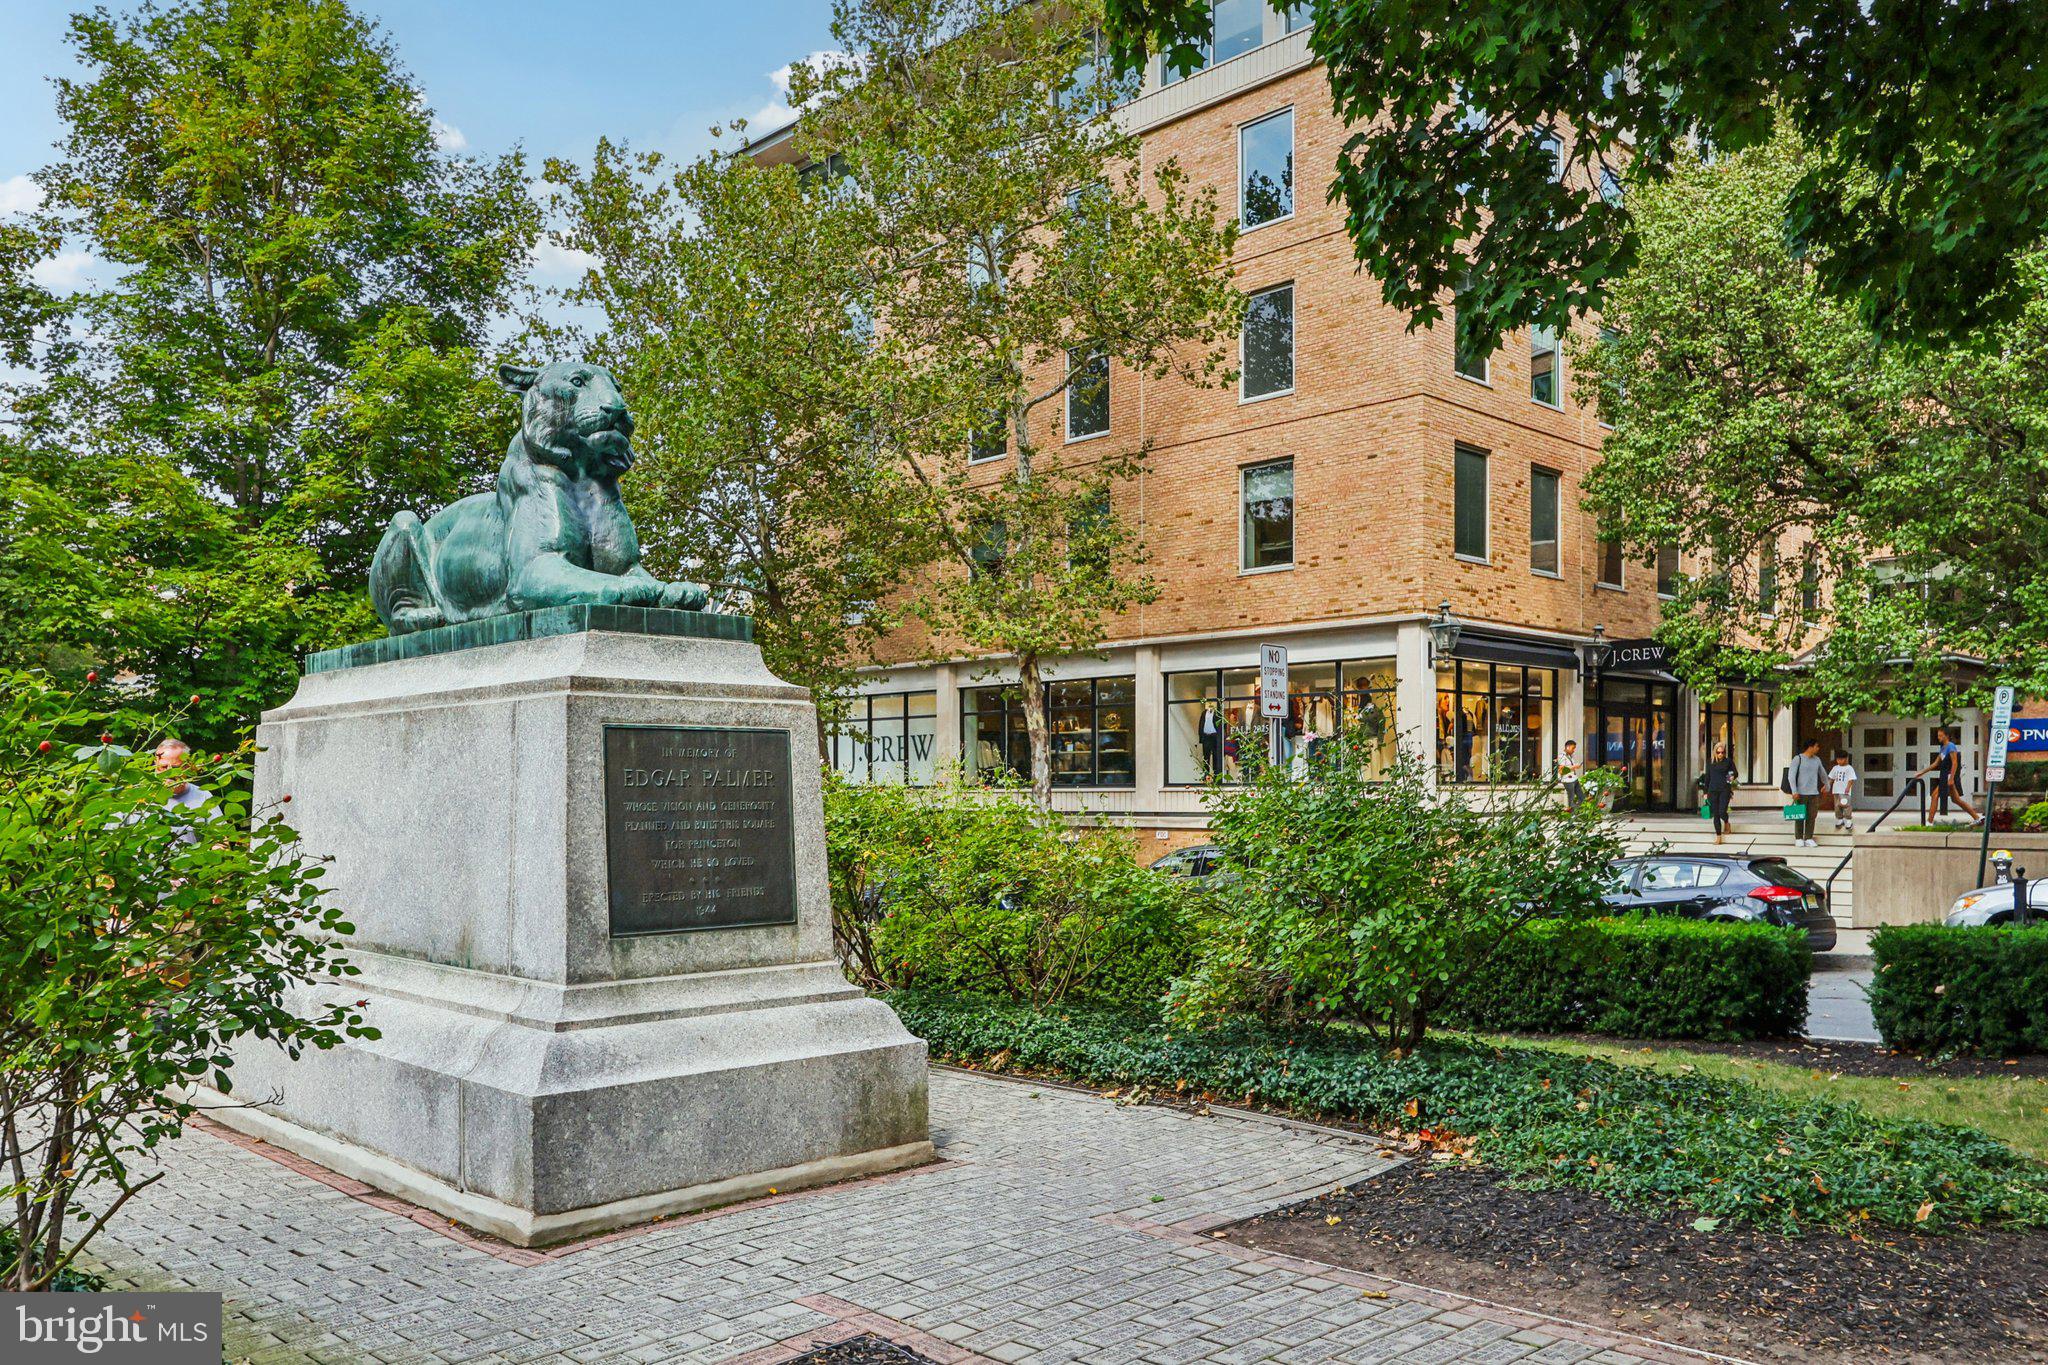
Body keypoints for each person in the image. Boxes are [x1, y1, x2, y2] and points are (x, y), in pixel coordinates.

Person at [1916, 727, 1980, 825]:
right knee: (1956, 800)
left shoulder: (1951, 746)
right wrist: (1922, 772)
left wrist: (1951, 779)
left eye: (1940, 735)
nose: (1938, 737)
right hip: (1944, 776)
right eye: (1938, 735)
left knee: (1934, 795)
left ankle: (1929, 822)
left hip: (1949, 776)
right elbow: (1936, 763)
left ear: (1946, 736)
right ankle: (1977, 817)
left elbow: (1955, 763)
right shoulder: (1943, 748)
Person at [1787, 739, 1825, 846]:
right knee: (1799, 816)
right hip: (1800, 793)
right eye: (1816, 746)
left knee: (1812, 816)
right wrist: (1794, 791)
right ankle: (1799, 838)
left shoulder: (1817, 760)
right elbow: (1791, 776)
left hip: (1814, 793)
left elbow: (1822, 773)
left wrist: (1827, 784)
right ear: (1810, 747)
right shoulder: (1798, 759)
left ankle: (1809, 837)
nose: (1818, 748)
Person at [1703, 740, 1738, 843]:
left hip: (1724, 790)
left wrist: (1728, 780)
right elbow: (1707, 778)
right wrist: (1705, 792)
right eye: (1718, 752)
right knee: (1716, 814)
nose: (1720, 754)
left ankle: (1726, 822)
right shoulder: (1711, 763)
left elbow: (1735, 773)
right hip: (1713, 791)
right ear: (1715, 752)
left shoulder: (1728, 762)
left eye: (1722, 752)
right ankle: (1718, 837)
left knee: (1722, 811)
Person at [1827, 751, 1859, 833]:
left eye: (1841, 759)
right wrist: (1827, 786)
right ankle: (1839, 818)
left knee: (1846, 804)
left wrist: (1848, 787)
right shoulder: (1835, 768)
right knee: (1837, 805)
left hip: (1844, 791)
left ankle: (1847, 819)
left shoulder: (1849, 768)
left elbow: (1851, 779)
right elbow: (1831, 778)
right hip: (1836, 790)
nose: (1839, 761)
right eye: (1838, 759)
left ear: (1846, 759)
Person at [1558, 738, 1586, 810]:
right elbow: (1561, 770)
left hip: (1574, 779)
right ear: (1567, 747)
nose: (1574, 750)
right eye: (1573, 748)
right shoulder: (1562, 756)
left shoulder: (1570, 756)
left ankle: (1578, 811)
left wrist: (1576, 766)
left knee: (1582, 797)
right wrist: (1574, 767)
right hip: (1568, 780)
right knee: (1571, 799)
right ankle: (1572, 813)